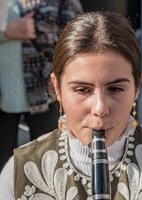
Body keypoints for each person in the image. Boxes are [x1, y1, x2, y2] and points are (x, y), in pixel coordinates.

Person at [0, 11, 142, 199]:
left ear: (137, 86)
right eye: (82, 90)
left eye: (115, 89)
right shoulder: (19, 171)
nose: (100, 108)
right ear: (57, 89)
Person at [0, 0, 83, 171]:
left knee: (47, 162)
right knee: (3, 166)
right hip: (3, 92)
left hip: (43, 89)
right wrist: (8, 31)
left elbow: (75, 35)